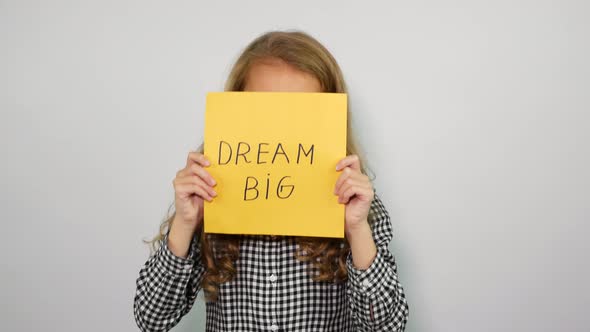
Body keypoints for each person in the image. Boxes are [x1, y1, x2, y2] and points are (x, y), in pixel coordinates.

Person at [133, 30, 409, 332]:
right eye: (266, 110)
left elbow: (387, 327)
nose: (281, 130)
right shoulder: (208, 196)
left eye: (301, 113)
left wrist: (356, 230)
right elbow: (151, 318)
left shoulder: (356, 203)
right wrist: (186, 224)